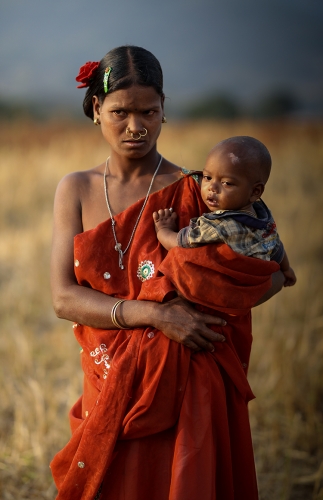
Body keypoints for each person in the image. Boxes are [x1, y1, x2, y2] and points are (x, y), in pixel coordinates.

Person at [50, 45, 285, 500]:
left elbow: (255, 274)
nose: (135, 126)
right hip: (109, 373)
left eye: (149, 111)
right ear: (97, 109)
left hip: (186, 377)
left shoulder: (197, 190)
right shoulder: (75, 189)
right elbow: (63, 298)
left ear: (164, 111)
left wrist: (267, 273)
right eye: (120, 112)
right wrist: (155, 315)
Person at [153, 136, 296, 288]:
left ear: (255, 191)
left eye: (226, 183)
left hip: (220, 292)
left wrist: (163, 230)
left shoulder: (218, 226)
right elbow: (277, 248)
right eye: (207, 177)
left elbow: (179, 245)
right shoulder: (265, 221)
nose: (212, 187)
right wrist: (287, 269)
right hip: (251, 291)